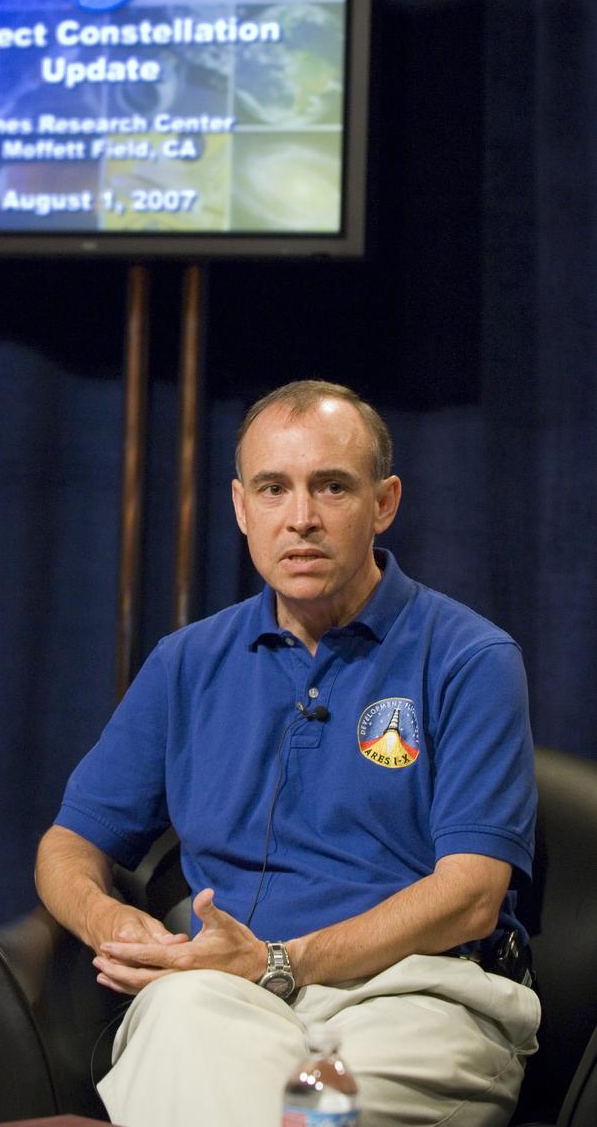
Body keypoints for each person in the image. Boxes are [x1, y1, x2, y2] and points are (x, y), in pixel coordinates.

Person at [35, 379, 540, 1127]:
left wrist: (284, 961)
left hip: (417, 995)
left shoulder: (470, 657)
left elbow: (470, 895)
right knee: (185, 1032)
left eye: (331, 487)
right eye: (274, 489)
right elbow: (69, 844)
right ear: (242, 508)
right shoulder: (186, 663)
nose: (300, 518)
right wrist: (111, 923)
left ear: (384, 502)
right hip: (219, 994)